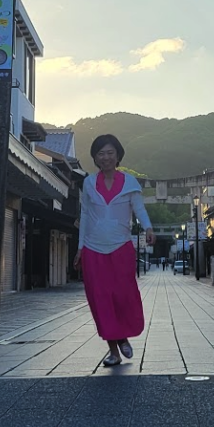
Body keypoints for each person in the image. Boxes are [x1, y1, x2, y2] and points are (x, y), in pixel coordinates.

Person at [74, 134, 155, 367]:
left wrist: (149, 228)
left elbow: (139, 209)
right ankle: (113, 350)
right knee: (101, 300)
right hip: (92, 249)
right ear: (95, 158)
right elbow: (86, 215)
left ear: (118, 155)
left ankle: (123, 336)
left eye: (110, 152)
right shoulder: (89, 182)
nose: (106, 157)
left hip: (121, 247)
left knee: (122, 295)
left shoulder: (130, 182)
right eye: (101, 153)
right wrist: (80, 248)